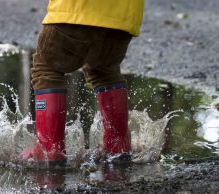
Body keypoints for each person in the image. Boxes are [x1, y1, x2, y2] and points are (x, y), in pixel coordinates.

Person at [21, 0, 145, 166]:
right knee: (104, 72)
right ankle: (118, 146)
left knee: (47, 68)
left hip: (77, 10)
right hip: (123, 18)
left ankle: (49, 149)